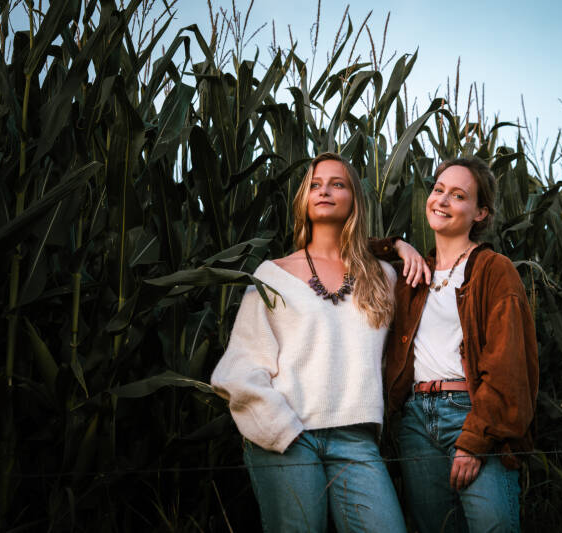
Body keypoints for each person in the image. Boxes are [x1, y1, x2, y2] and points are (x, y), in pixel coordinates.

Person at [211, 153, 408, 533]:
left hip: (357, 439)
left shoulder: (383, 276)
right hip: (288, 434)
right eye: (315, 185)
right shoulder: (272, 275)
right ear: (303, 199)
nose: (325, 191)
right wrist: (280, 429)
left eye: (338, 184)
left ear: (355, 199)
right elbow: (238, 368)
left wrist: (400, 246)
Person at [381, 157, 539, 533]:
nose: (442, 200)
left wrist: (475, 439)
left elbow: (507, 364)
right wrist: (397, 246)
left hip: (474, 414)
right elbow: (345, 251)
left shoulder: (493, 269)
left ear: (480, 213)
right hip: (416, 421)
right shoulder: (412, 274)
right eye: (438, 190)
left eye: (458, 195)